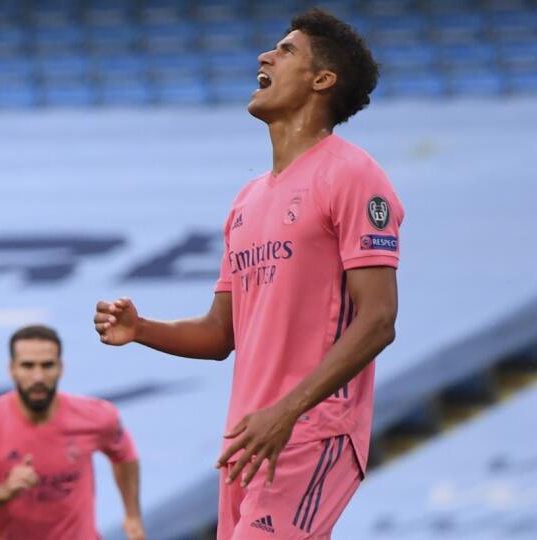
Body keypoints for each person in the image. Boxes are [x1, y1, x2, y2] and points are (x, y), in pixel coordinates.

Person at [94, 9, 402, 540]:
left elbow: (378, 320)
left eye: (286, 51)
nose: (264, 56)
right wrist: (143, 330)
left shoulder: (352, 174)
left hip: (312, 430)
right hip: (248, 440)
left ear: (322, 80)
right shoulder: (246, 201)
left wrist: (286, 412)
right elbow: (220, 336)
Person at [0, 324, 145, 539]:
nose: (38, 377)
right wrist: (7, 490)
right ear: (12, 369)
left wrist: (133, 515)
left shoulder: (97, 416)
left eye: (47, 365)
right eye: (28, 366)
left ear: (60, 368)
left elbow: (125, 455)